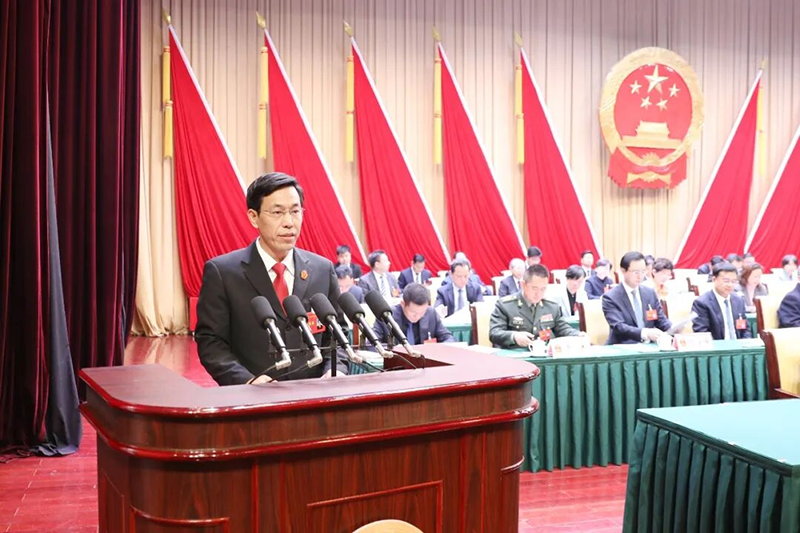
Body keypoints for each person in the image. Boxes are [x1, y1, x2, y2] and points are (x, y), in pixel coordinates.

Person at [196, 172, 348, 385]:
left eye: (295, 211)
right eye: (277, 212)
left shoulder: (322, 269)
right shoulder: (223, 272)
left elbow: (338, 333)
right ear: (253, 217)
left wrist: (336, 370)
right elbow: (211, 342)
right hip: (253, 398)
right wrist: (248, 381)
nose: (289, 222)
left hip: (315, 395)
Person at [489, 264, 580, 348]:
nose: (538, 293)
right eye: (534, 288)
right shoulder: (506, 305)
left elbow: (562, 328)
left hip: (544, 354)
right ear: (523, 285)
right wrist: (514, 336)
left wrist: (578, 335)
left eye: (543, 289)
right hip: (515, 355)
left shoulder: (551, 306)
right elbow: (494, 333)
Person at [602, 251, 672, 344]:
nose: (640, 276)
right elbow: (619, 326)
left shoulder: (649, 293)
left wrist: (673, 329)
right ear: (623, 271)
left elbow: (661, 320)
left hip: (649, 346)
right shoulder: (610, 297)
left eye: (643, 271)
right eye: (636, 272)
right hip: (623, 346)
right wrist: (645, 333)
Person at [373, 283, 456, 345]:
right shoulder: (387, 316)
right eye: (413, 313)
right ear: (403, 304)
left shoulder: (431, 313)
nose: (418, 316)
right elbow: (372, 344)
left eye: (422, 312)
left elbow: (449, 338)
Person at [691, 262, 752, 340]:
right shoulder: (702, 303)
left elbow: (745, 329)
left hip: (739, 345)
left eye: (733, 281)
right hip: (716, 346)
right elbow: (702, 333)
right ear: (714, 279)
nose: (730, 285)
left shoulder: (738, 300)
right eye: (726, 281)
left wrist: (745, 344)